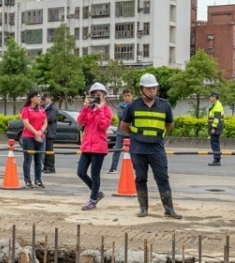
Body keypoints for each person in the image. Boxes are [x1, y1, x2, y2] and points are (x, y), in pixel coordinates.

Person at [119, 72, 182, 219]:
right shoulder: (133, 106)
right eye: (149, 88)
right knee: (141, 178)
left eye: (154, 88)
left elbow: (169, 125)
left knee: (162, 178)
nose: (152, 90)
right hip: (138, 149)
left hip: (157, 148)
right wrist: (136, 136)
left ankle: (169, 209)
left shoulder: (164, 105)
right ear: (142, 89)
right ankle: (143, 209)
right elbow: (124, 126)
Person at [76, 82, 113, 209]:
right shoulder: (88, 109)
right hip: (87, 145)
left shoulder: (107, 110)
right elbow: (80, 121)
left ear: (104, 96)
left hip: (99, 146)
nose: (96, 97)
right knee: (80, 172)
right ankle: (96, 193)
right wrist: (85, 107)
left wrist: (100, 109)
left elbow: (104, 125)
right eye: (94, 95)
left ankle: (92, 200)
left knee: (95, 174)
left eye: (99, 95)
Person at [19, 90, 47, 189]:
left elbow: (45, 122)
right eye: (37, 96)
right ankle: (27, 180)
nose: (40, 98)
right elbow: (26, 123)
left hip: (40, 137)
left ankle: (38, 180)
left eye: (40, 96)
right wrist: (35, 133)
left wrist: (41, 132)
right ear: (32, 98)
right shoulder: (26, 110)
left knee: (39, 160)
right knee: (28, 159)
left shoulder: (41, 109)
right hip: (28, 138)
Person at [107, 88, 132, 174]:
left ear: (132, 96)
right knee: (117, 150)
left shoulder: (135, 105)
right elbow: (121, 116)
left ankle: (135, 168)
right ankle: (113, 168)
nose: (127, 97)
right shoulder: (121, 106)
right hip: (121, 132)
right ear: (123, 97)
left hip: (132, 132)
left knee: (134, 152)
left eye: (129, 95)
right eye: (126, 96)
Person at [41, 93, 59, 174]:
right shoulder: (42, 107)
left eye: (44, 100)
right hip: (43, 131)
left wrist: (42, 119)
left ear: (48, 98)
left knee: (49, 150)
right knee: (44, 151)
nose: (43, 102)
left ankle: (51, 167)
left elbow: (50, 118)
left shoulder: (53, 108)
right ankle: (45, 166)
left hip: (50, 132)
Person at [206, 92, 225, 165]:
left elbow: (217, 118)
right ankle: (217, 158)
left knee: (214, 143)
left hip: (216, 128)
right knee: (215, 143)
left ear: (214, 97)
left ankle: (217, 159)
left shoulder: (217, 105)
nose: (210, 98)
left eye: (211, 97)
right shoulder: (215, 105)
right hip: (216, 127)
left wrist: (213, 127)